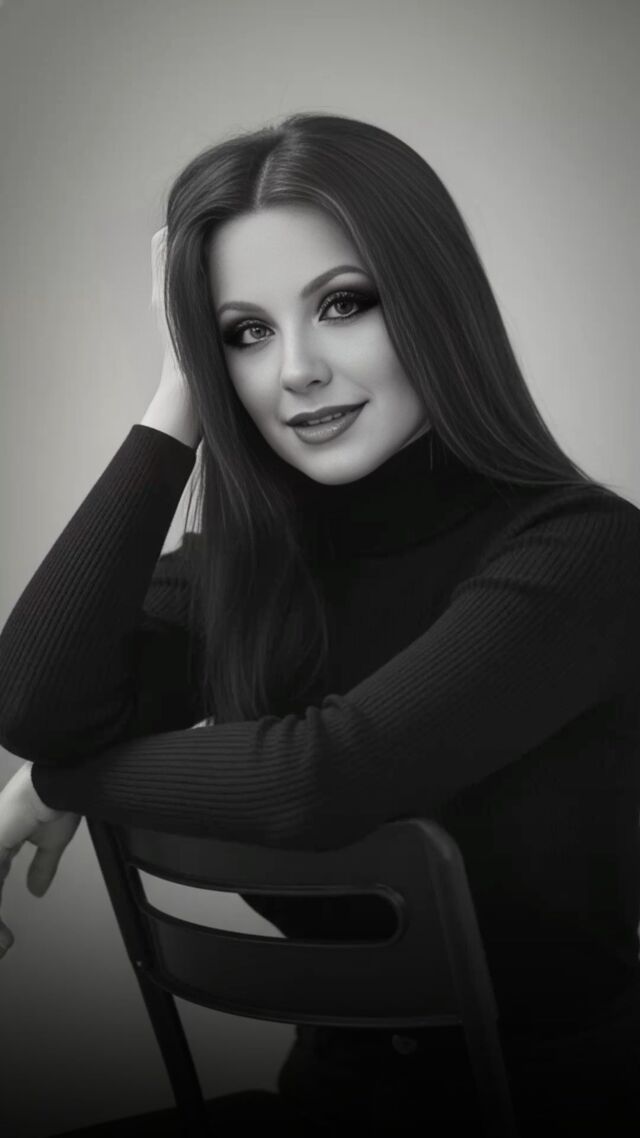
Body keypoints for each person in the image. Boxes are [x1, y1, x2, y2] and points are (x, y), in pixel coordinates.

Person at [0, 110, 639, 1136]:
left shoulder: (584, 551)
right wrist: (175, 398)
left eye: (343, 304)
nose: (294, 369)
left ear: (434, 303)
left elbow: (320, 781)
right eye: (243, 333)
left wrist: (57, 784)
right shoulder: (253, 568)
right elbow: (34, 702)